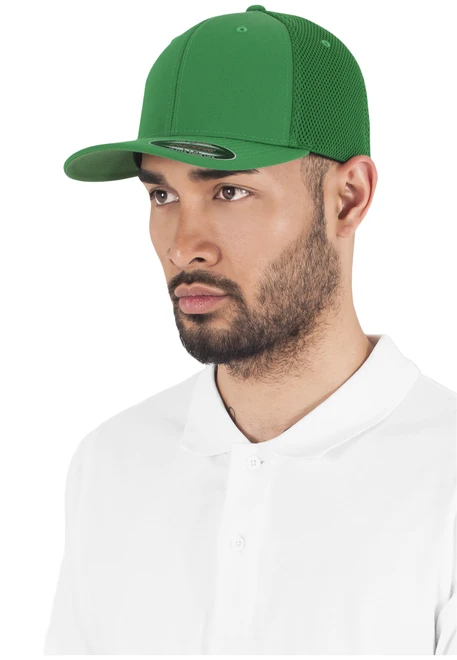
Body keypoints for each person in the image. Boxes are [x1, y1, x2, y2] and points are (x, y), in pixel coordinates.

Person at [43, 5, 456, 655]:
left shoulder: (443, 476)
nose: (184, 245)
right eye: (161, 195)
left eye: (229, 191)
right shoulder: (111, 464)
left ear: (347, 197)